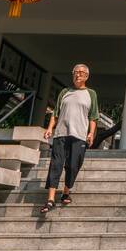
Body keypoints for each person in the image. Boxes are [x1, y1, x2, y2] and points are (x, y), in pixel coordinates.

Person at [40, 64, 98, 214]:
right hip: (61, 134)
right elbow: (56, 113)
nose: (77, 75)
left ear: (86, 76)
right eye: (75, 73)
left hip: (79, 136)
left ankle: (66, 191)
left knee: (73, 165)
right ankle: (50, 199)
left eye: (81, 73)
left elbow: (93, 117)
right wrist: (49, 128)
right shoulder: (64, 92)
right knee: (56, 164)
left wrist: (91, 133)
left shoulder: (91, 94)